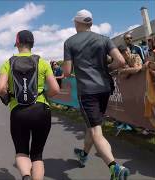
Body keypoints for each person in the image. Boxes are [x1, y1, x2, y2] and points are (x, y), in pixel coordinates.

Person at [63, 9, 130, 180]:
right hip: (105, 88)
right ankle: (84, 154)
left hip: (87, 90)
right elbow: (121, 61)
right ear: (90, 23)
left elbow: (67, 71)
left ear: (77, 23)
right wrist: (107, 68)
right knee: (92, 126)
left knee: (96, 130)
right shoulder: (104, 39)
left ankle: (115, 168)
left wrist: (76, 71)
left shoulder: (70, 42)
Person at [0, 30, 59, 180]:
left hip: (18, 112)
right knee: (37, 155)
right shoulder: (42, 62)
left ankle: (25, 176)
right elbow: (55, 89)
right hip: (41, 110)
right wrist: (44, 96)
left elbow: (0, 88)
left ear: (17, 43)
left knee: (22, 151)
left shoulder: (8, 63)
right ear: (32, 44)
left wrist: (8, 95)